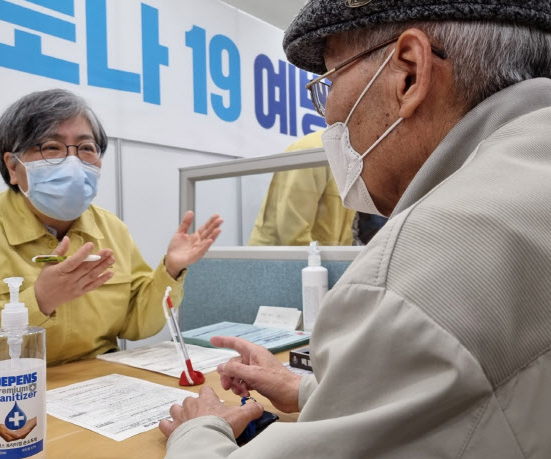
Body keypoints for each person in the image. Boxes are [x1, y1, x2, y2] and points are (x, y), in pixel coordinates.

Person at [160, 1, 551, 457]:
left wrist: (200, 430)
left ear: (408, 72)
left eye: (329, 81)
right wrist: (308, 391)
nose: (328, 115)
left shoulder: (415, 272)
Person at [0, 89, 223, 391]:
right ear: (12, 166)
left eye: (86, 148)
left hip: (92, 392)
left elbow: (136, 323)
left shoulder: (112, 229)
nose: (73, 162)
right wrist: (39, 302)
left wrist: (169, 270)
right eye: (51, 147)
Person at [247, 130, 356, 246]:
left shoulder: (353, 156)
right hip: (277, 259)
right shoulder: (315, 149)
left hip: (318, 259)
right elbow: (291, 228)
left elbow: (346, 231)